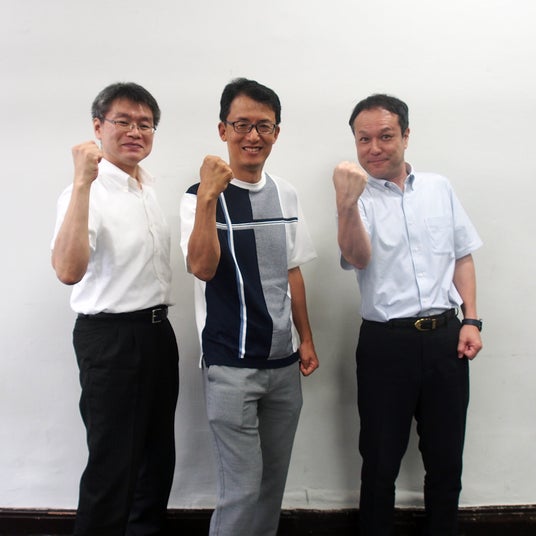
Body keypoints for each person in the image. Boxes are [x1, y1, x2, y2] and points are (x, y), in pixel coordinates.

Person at [332, 94, 483, 535]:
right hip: (386, 344)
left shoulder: (439, 188)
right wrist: (345, 205)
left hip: (445, 339)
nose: (374, 148)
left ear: (406, 136)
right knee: (380, 461)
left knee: (446, 458)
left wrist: (471, 319)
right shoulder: (356, 195)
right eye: (364, 139)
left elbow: (462, 256)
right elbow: (357, 258)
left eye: (385, 136)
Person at [180, 78, 319, 536]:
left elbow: (292, 271)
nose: (253, 135)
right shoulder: (197, 197)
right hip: (230, 365)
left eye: (264, 125)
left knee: (271, 486)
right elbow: (201, 267)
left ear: (276, 132)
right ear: (223, 130)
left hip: (283, 364)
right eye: (242, 124)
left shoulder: (286, 193)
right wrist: (208, 197)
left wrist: (306, 339)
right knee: (241, 490)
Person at [51, 82, 179, 536]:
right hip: (111, 340)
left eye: (145, 124)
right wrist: (81, 182)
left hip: (157, 334)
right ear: (98, 126)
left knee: (156, 460)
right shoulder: (85, 192)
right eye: (122, 121)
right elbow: (68, 271)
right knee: (112, 466)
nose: (135, 131)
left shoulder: (146, 189)